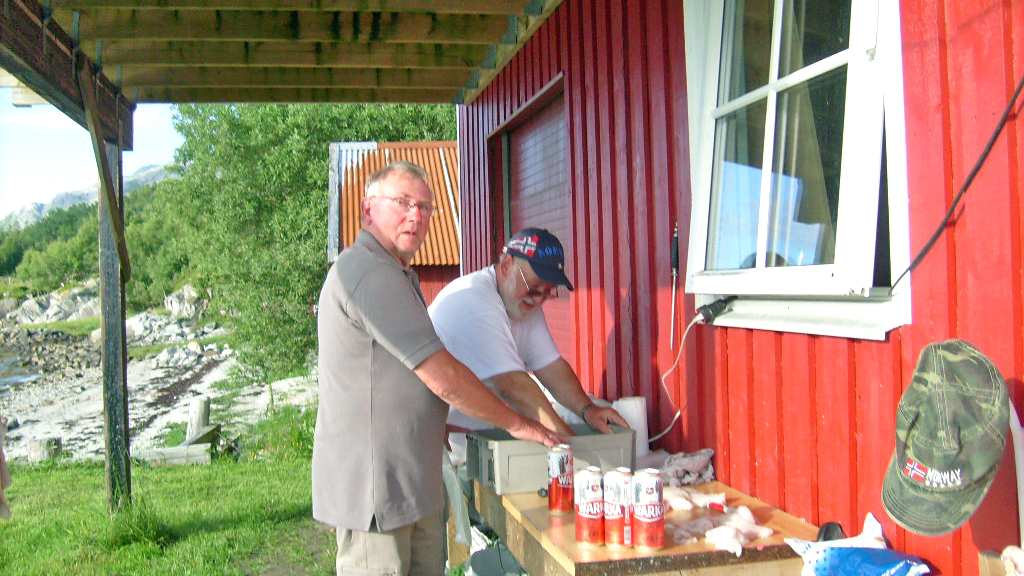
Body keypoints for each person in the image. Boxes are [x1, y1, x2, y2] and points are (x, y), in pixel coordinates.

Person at [312, 162, 564, 576]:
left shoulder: (396, 272)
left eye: (425, 207)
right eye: (402, 202)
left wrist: (433, 422)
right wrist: (521, 425)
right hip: (377, 487)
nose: (416, 215)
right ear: (367, 209)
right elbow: (443, 377)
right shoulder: (368, 272)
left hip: (412, 478)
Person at [428, 227, 629, 464]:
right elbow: (512, 385)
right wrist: (577, 453)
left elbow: (551, 366)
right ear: (506, 265)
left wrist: (588, 410)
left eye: (548, 291)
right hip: (444, 443)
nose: (539, 299)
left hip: (481, 438)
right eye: (534, 287)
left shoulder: (522, 303)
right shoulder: (472, 299)